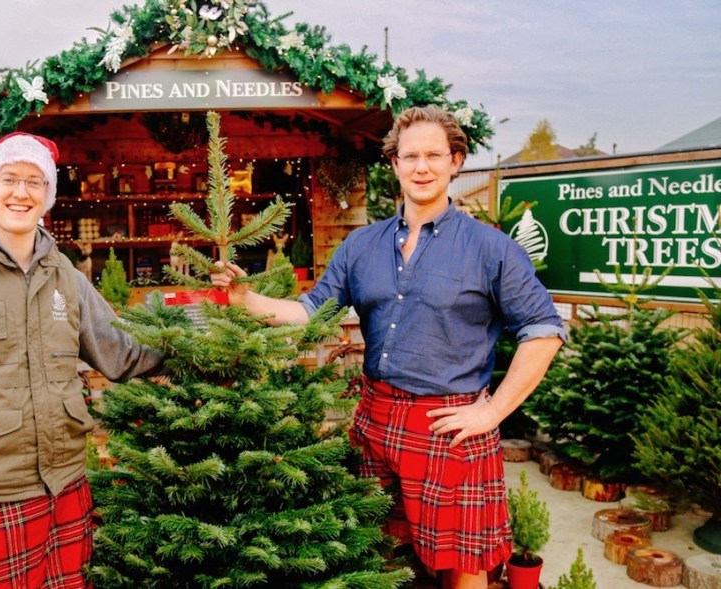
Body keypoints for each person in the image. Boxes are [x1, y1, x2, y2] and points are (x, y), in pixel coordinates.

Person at [211, 105, 565, 589]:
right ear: (394, 164)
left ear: (456, 162)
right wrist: (245, 299)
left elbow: (543, 331)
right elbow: (313, 309)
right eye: (410, 156)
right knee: (376, 551)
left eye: (434, 155)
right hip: (376, 420)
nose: (422, 167)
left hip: (451, 428)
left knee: (463, 567)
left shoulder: (492, 249)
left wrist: (492, 413)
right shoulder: (362, 245)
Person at [0, 132, 165, 588]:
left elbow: (120, 354)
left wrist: (196, 346)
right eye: (9, 179)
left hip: (67, 491)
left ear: (49, 197)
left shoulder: (68, 278)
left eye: (34, 182)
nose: (21, 192)